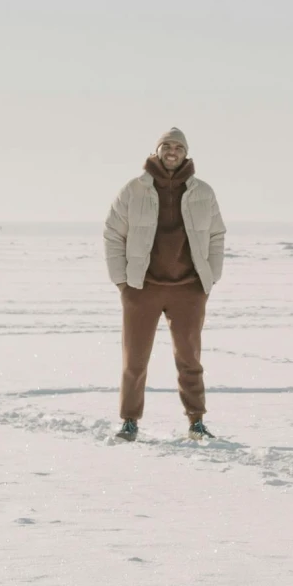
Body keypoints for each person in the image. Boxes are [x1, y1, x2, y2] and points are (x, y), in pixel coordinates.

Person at [103, 127, 226, 441]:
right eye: (167, 146)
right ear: (157, 150)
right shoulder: (134, 190)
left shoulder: (203, 192)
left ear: (186, 153)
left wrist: (209, 278)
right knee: (135, 359)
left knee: (189, 358)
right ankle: (129, 421)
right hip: (141, 288)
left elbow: (216, 235)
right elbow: (113, 233)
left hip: (189, 289)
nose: (172, 152)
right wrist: (122, 281)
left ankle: (196, 421)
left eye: (178, 147)